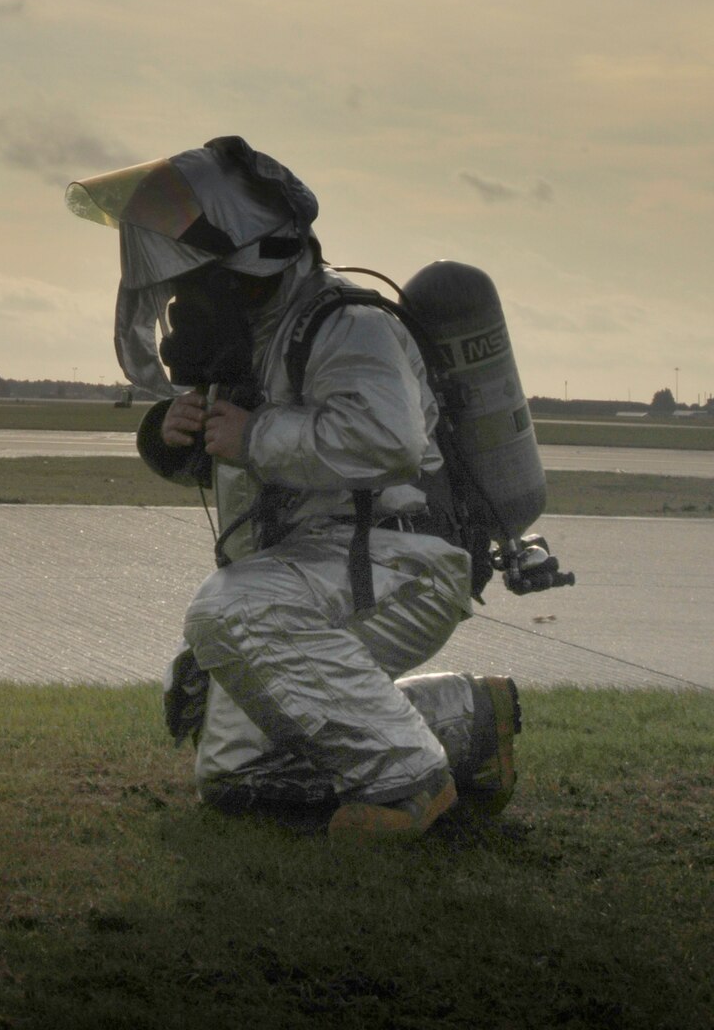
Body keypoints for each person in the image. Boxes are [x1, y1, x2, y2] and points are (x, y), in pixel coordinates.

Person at [66, 135, 520, 840]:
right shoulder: (259, 337)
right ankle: (467, 720)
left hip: (404, 565)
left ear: (252, 258)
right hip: (329, 568)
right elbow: (267, 475)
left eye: (197, 276)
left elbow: (389, 442)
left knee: (228, 615)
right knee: (233, 776)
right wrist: (177, 436)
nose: (184, 300)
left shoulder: (350, 324)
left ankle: (409, 782)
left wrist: (253, 437)